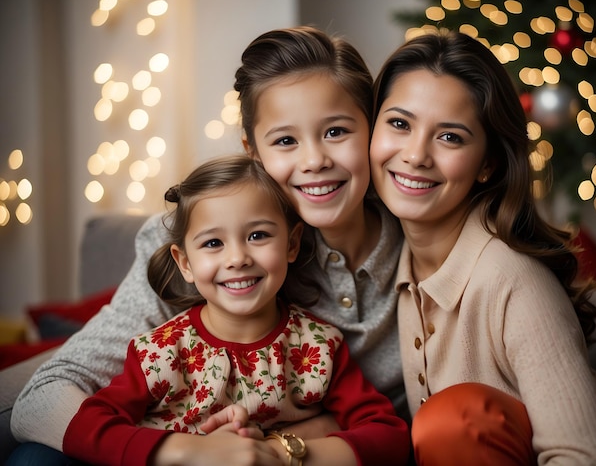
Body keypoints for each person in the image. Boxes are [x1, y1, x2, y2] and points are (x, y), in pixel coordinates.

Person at [10, 27, 406, 464]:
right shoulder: (196, 245)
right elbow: (40, 401)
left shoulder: (420, 233)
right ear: (253, 151)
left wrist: (291, 443)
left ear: (373, 131)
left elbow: (392, 428)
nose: (314, 161)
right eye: (285, 141)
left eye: (335, 132)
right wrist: (185, 451)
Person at [369, 29, 596, 465]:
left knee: (449, 418)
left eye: (449, 137)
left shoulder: (514, 282)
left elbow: (588, 458)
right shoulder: (396, 263)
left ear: (487, 163)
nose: (415, 154)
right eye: (399, 123)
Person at [62, 155, 410, 466]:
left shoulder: (318, 348)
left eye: (258, 236)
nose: (238, 258)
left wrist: (279, 453)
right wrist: (187, 451)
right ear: (185, 263)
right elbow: (83, 428)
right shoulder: (160, 354)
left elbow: (389, 435)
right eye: (213, 243)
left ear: (291, 244)